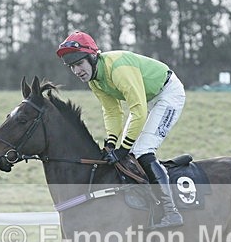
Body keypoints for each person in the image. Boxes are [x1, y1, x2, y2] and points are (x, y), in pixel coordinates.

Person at [56, 31, 185, 229]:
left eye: (79, 63)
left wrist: (123, 147)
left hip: (168, 94)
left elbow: (138, 110)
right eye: (72, 66)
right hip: (149, 98)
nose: (76, 71)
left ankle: (171, 212)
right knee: (128, 154)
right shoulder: (95, 80)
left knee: (141, 150)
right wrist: (111, 142)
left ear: (93, 57)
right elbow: (112, 111)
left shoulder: (118, 68)